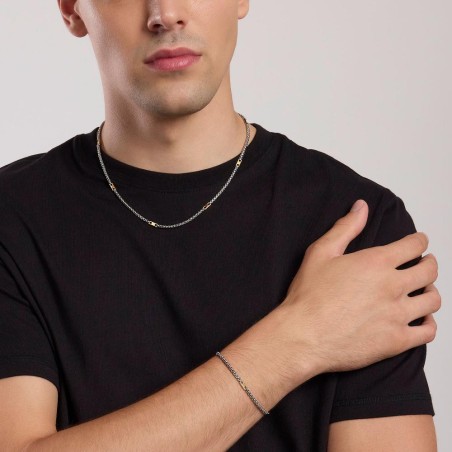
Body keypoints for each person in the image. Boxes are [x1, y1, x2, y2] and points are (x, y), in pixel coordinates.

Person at [0, 1, 440, 450]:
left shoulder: (357, 226)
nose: (165, 13)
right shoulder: (11, 219)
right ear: (72, 10)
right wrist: (298, 339)